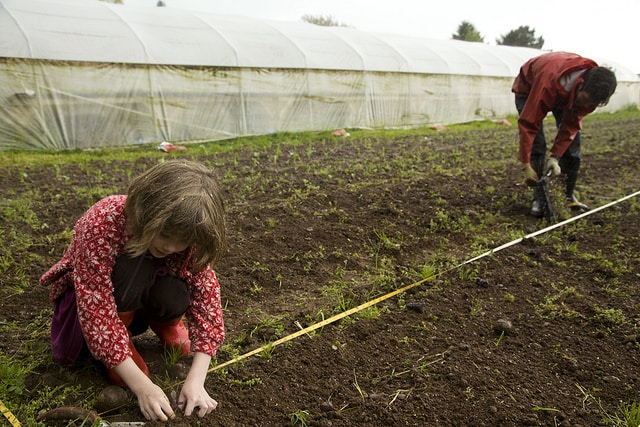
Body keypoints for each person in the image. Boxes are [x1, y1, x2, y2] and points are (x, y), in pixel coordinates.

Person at [39, 159, 227, 421]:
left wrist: (197, 380)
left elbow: (206, 300)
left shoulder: (192, 230)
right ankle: (122, 340)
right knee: (131, 266)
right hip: (103, 301)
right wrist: (142, 387)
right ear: (146, 211)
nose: (171, 247)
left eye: (182, 241)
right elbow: (96, 309)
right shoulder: (103, 222)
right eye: (165, 234)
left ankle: (168, 325)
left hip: (144, 295)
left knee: (182, 283)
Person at [512, 51, 617, 217]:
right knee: (538, 143)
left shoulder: (591, 94)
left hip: (565, 93)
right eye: (585, 99)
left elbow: (570, 127)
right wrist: (525, 164)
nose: (586, 105)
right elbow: (529, 123)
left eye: (591, 103)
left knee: (573, 143)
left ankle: (567, 195)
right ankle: (539, 198)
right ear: (580, 84)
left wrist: (555, 157)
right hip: (531, 88)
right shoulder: (549, 83)